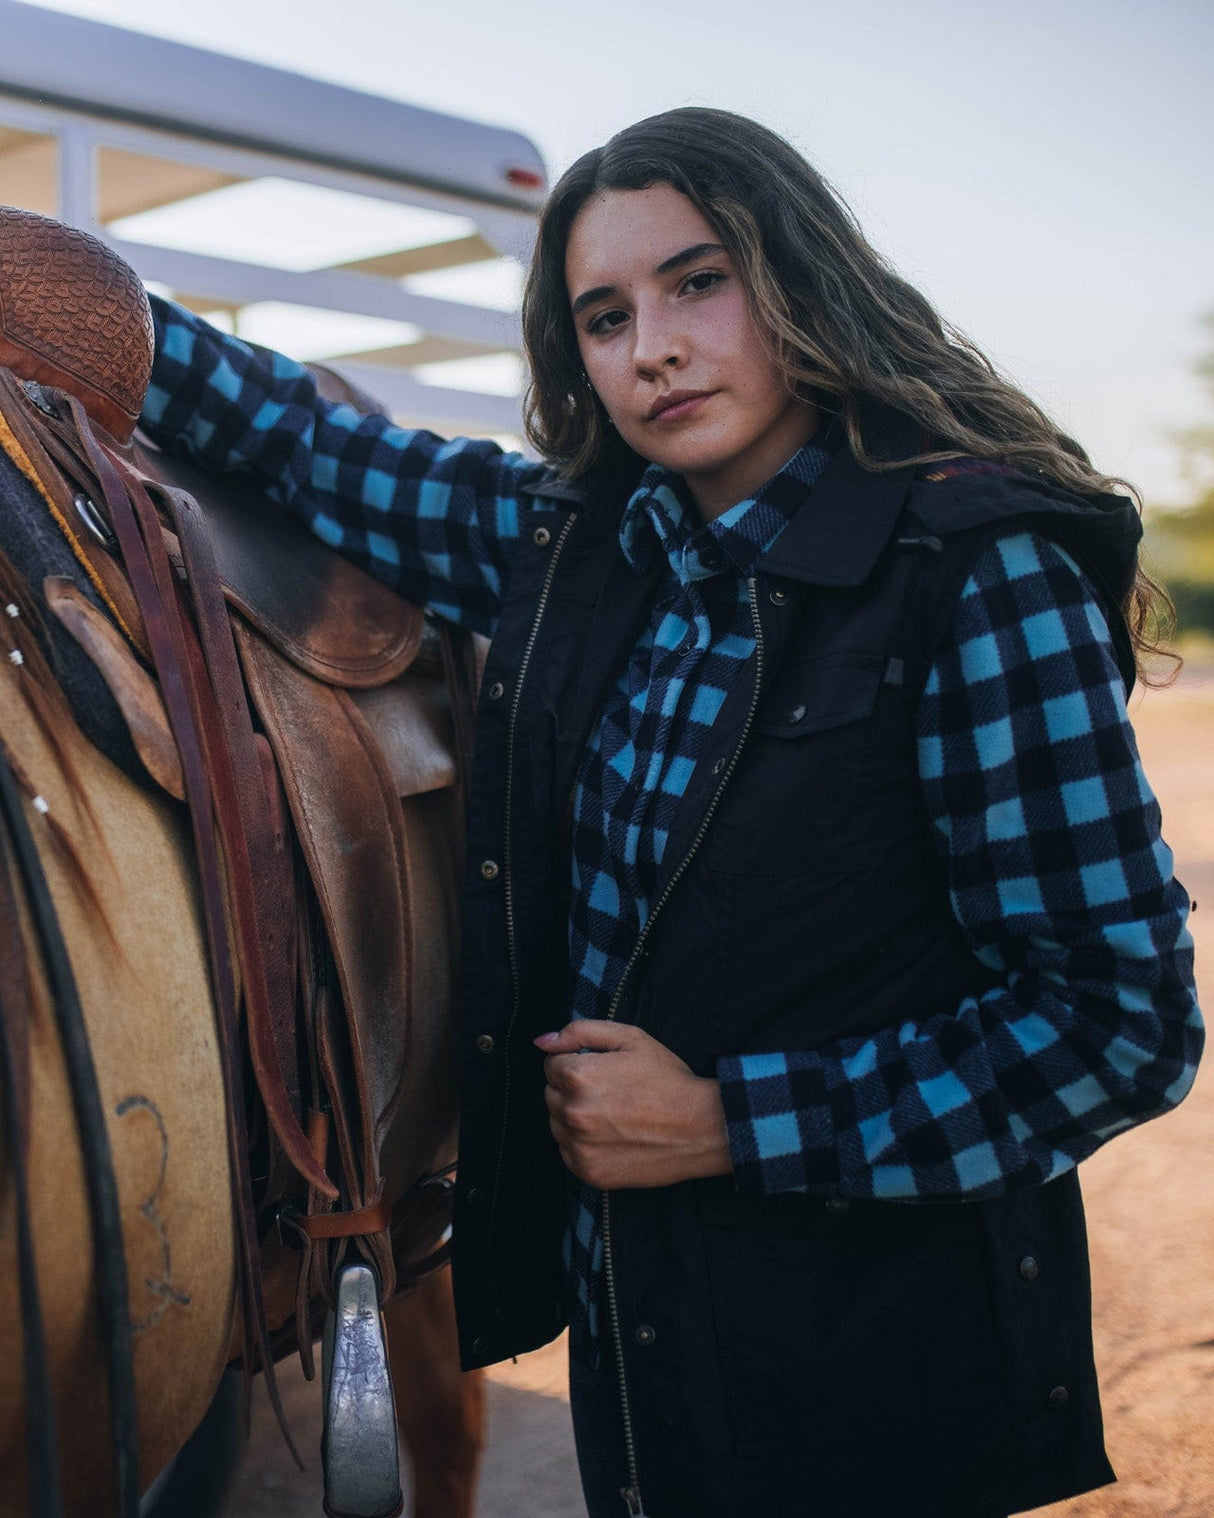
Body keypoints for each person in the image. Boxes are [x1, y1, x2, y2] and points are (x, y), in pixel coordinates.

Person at [138, 108, 1201, 1518]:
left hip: (874, 1375)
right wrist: (73, 294)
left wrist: (727, 1120)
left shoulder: (972, 570)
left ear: (801, 278)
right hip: (647, 1362)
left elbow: (1114, 1018)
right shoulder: (577, 547)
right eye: (601, 313)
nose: (650, 345)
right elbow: (301, 446)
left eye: (697, 282)